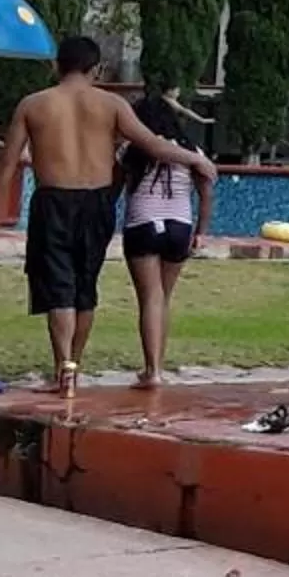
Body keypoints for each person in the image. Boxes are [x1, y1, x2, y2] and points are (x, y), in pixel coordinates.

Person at [0, 36, 216, 394]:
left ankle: (64, 369)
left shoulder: (33, 104)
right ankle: (75, 363)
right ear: (98, 69)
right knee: (83, 287)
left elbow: (8, 160)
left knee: (58, 287)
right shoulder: (112, 104)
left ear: (55, 66)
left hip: (53, 200)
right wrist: (196, 158)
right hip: (96, 203)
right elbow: (152, 144)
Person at [119, 94, 214, 390]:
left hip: (143, 225)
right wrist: (201, 231)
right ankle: (158, 367)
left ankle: (152, 371)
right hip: (179, 227)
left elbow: (115, 181)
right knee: (163, 299)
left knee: (150, 298)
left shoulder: (134, 150)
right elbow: (206, 192)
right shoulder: (192, 150)